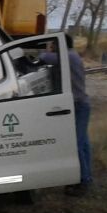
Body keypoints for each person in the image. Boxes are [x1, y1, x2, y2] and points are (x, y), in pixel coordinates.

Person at [41, 34, 92, 196]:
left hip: (78, 105)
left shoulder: (67, 56)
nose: (51, 48)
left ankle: (83, 181)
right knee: (83, 144)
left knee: (76, 144)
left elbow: (45, 57)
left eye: (53, 45)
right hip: (81, 104)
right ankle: (86, 177)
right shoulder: (72, 55)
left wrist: (42, 53)